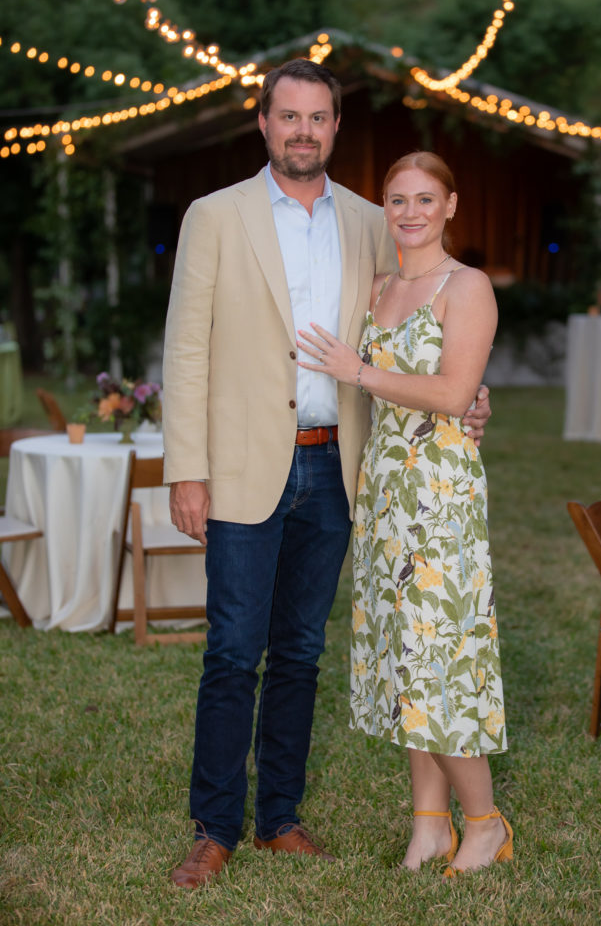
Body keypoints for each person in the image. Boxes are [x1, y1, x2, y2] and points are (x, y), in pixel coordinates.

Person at [162, 62, 492, 889]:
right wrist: (186, 470)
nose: (303, 130)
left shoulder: (371, 221)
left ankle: (280, 817)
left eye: (318, 118)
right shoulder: (215, 216)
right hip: (241, 463)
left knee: (302, 651)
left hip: (339, 465)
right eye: (288, 117)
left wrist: (471, 395)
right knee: (235, 651)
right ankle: (215, 826)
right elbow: (187, 348)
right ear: (264, 124)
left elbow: (419, 309)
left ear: (335, 128)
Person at [297, 151, 510, 877]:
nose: (410, 212)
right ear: (384, 208)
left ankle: (485, 822)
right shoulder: (381, 286)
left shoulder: (467, 285)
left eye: (426, 198)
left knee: (437, 657)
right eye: (397, 199)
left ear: (451, 206)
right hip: (384, 487)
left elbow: (454, 394)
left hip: (439, 491)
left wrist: (360, 372)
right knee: (401, 658)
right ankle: (430, 823)